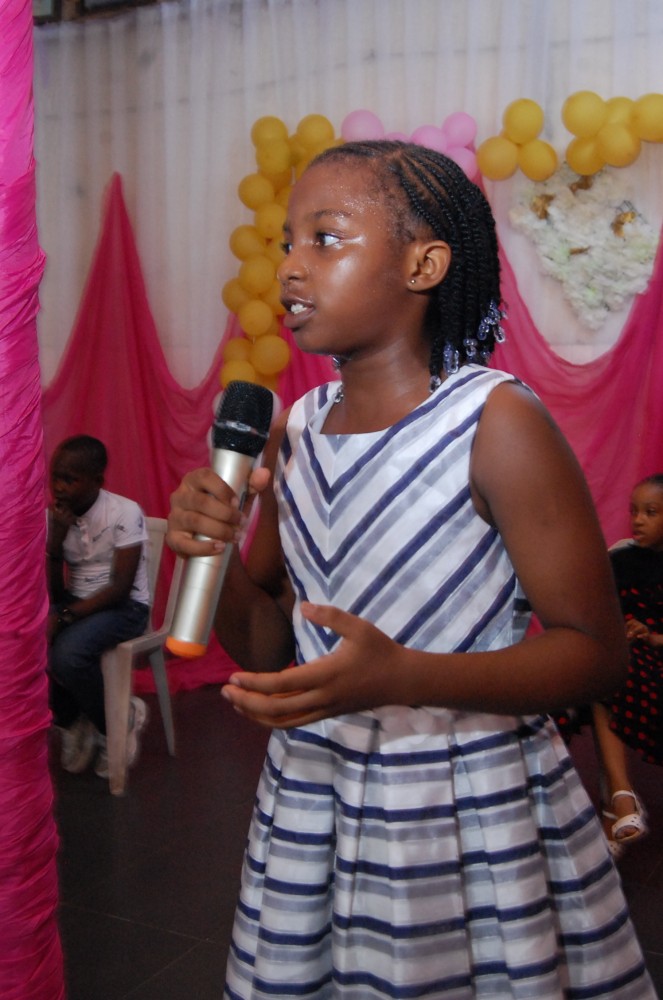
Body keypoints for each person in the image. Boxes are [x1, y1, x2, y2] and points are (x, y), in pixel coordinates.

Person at [168, 142, 655, 998]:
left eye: (326, 239)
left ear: (423, 265)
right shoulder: (298, 430)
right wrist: (217, 559)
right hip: (316, 795)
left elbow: (595, 653)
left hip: (463, 801)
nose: (290, 267)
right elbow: (274, 645)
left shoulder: (494, 423)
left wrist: (402, 675)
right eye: (286, 242)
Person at [47, 434, 150, 778]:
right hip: (76, 603)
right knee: (22, 647)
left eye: (69, 479)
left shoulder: (124, 512)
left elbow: (120, 589)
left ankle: (116, 725)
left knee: (67, 655)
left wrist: (65, 617)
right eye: (55, 477)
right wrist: (55, 544)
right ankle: (72, 721)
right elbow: (56, 592)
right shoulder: (56, 518)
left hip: (125, 608)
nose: (59, 487)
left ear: (97, 481)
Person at [591, 473, 663, 859]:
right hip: (628, 657)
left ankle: (614, 807)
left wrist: (652, 637)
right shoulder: (620, 556)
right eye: (634, 511)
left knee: (617, 675)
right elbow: (596, 610)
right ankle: (621, 797)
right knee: (605, 672)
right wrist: (621, 629)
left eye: (650, 512)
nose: (638, 520)